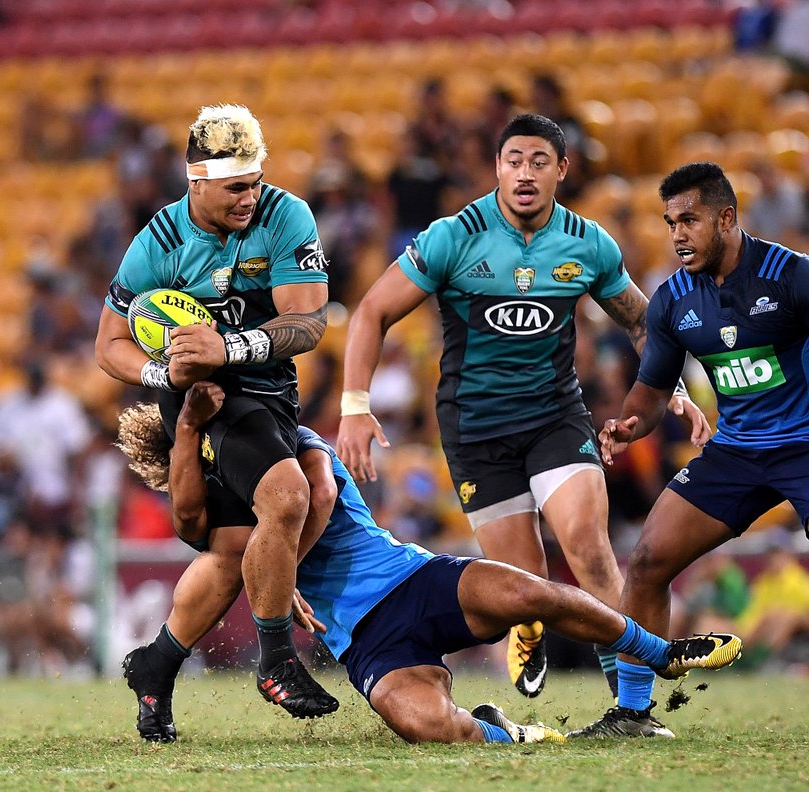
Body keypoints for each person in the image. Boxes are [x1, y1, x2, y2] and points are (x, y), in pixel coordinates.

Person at [115, 383, 742, 744]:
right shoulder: (219, 488)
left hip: (410, 579)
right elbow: (191, 524)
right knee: (434, 729)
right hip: (366, 642)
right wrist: (188, 434)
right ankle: (508, 731)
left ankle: (658, 652)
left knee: (534, 596)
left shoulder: (276, 439)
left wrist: (284, 577)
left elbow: (322, 492)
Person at [337, 113, 711, 704]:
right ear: (497, 169)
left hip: (554, 417)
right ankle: (528, 628)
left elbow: (644, 323)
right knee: (528, 588)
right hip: (476, 431)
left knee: (589, 548)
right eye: (514, 161)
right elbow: (371, 312)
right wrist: (354, 405)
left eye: (539, 162)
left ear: (562, 170)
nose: (525, 174)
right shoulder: (452, 237)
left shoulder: (588, 244)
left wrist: (677, 390)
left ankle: (631, 707)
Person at [94, 104, 336, 718]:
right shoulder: (160, 242)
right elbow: (108, 346)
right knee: (288, 497)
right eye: (235, 187)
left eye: (255, 182)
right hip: (207, 400)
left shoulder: (285, 216)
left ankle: (157, 664)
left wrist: (229, 344)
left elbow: (308, 322)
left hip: (271, 388)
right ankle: (278, 658)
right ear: (196, 181)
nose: (249, 198)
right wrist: (162, 372)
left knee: (231, 547)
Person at [572, 161, 809, 737]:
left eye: (690, 220)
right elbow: (652, 390)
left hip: (803, 445)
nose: (677, 235)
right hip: (737, 454)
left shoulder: (792, 277)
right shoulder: (673, 299)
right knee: (649, 561)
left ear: (727, 218)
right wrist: (629, 424)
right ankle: (633, 713)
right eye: (670, 222)